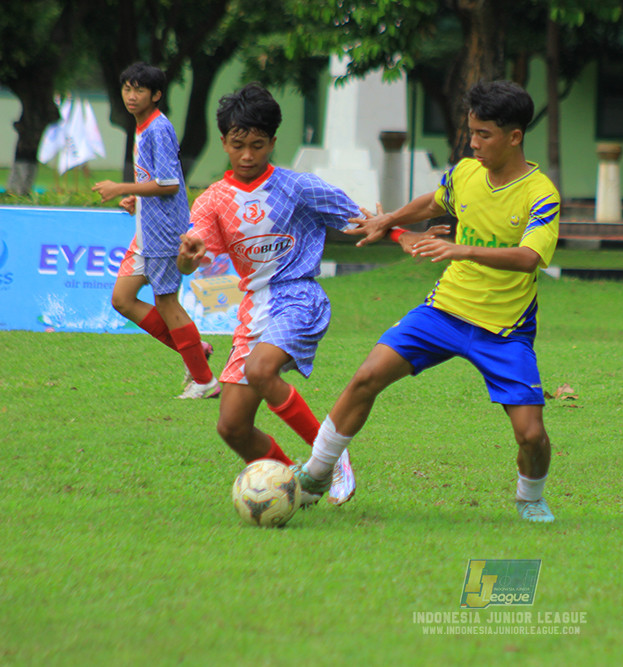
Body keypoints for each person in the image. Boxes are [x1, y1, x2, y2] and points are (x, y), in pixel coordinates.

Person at [292, 80, 562, 523]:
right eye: (471, 132)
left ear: (515, 136)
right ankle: (317, 474)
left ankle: (530, 498)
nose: (473, 144)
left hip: (504, 330)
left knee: (531, 435)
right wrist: (390, 220)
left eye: (484, 135)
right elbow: (435, 202)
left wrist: (462, 249)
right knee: (367, 377)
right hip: (443, 311)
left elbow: (530, 257)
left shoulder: (540, 193)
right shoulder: (466, 173)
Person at [176, 83, 371, 497]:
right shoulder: (212, 201)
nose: (248, 155)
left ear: (272, 142)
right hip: (255, 308)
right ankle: (294, 489)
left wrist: (406, 234)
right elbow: (193, 255)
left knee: (261, 370)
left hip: (298, 296)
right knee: (232, 426)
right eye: (238, 145)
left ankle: (329, 459)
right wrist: (188, 256)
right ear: (224, 143)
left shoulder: (299, 187)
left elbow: (361, 220)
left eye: (258, 145)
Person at [92, 62, 217, 399]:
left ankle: (204, 381)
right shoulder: (143, 126)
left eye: (140, 90)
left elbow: (169, 183)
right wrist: (137, 198)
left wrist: (120, 187)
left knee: (166, 302)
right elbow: (156, 181)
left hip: (163, 232)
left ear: (156, 95)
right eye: (127, 89)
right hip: (147, 229)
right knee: (122, 299)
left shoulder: (158, 128)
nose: (131, 96)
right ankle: (195, 351)